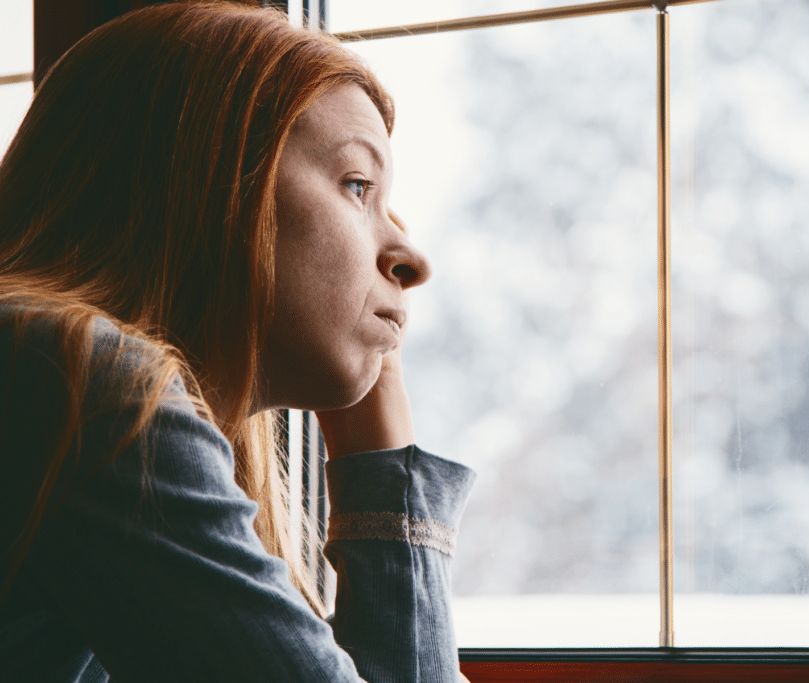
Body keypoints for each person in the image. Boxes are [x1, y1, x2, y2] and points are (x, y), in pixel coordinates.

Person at [0, 2, 474, 681]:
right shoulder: (81, 381)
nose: (411, 256)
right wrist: (382, 466)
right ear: (210, 182)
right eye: (358, 186)